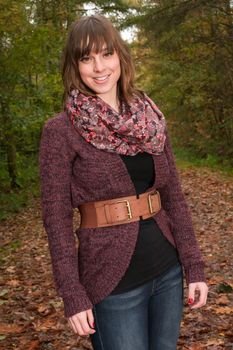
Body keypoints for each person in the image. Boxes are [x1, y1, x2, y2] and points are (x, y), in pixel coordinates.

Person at [39, 14, 208, 350]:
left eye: (106, 53)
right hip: (111, 283)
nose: (99, 67)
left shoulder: (151, 118)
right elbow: (56, 220)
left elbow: (173, 195)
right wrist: (72, 294)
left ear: (120, 56)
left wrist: (193, 265)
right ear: (75, 66)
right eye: (86, 58)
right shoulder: (60, 131)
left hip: (167, 271)